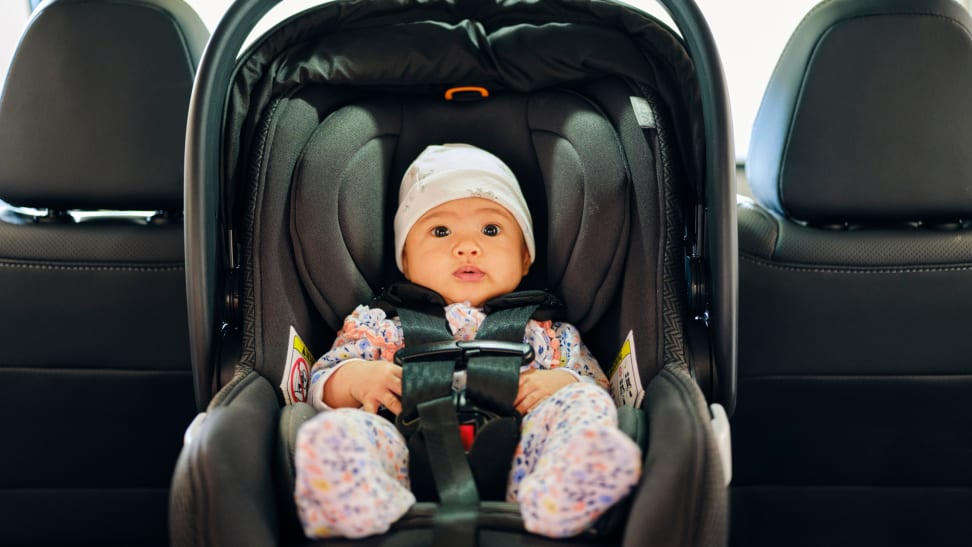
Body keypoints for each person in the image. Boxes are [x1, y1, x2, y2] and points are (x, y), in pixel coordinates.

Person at [294, 143, 641, 539]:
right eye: (440, 230)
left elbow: (598, 386)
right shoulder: (379, 327)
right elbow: (319, 382)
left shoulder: (549, 334)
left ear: (525, 257)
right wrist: (356, 379)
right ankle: (357, 506)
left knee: (584, 404)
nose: (467, 246)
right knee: (337, 430)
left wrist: (563, 383)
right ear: (405, 259)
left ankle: (562, 495)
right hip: (402, 448)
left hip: (525, 454)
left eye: (491, 230)